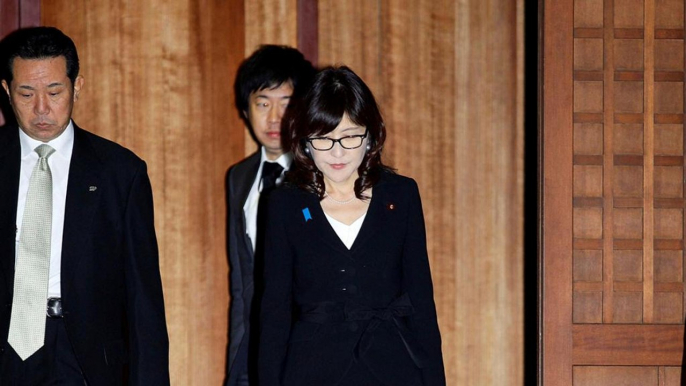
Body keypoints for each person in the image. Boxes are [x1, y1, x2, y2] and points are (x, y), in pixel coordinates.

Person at [0, 27, 169, 385]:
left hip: (84, 357)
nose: (41, 108)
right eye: (26, 93)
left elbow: (143, 299)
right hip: (7, 351)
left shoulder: (120, 172)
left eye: (55, 91)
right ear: (7, 92)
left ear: (77, 87)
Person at [258, 66, 446, 385]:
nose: (337, 153)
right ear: (304, 141)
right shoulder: (285, 205)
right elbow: (273, 313)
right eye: (324, 140)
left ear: (370, 135)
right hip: (311, 371)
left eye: (349, 138)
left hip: (393, 368)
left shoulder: (400, 195)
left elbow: (421, 301)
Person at [225, 45, 315, 386]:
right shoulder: (239, 177)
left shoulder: (323, 174)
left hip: (306, 355)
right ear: (246, 109)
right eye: (263, 103)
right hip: (251, 356)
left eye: (287, 104)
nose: (274, 118)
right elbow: (241, 283)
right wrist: (235, 363)